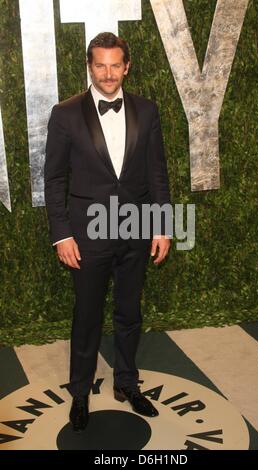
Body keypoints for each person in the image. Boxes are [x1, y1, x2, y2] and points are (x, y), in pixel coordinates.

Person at [44, 32, 171, 433]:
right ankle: (80, 393)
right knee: (87, 316)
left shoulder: (147, 111)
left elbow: (157, 174)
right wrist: (62, 234)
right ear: (89, 66)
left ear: (127, 66)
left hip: (135, 230)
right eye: (100, 65)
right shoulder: (64, 114)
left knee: (129, 313)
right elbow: (54, 180)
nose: (108, 73)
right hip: (86, 234)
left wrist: (163, 226)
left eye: (116, 64)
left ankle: (127, 384)